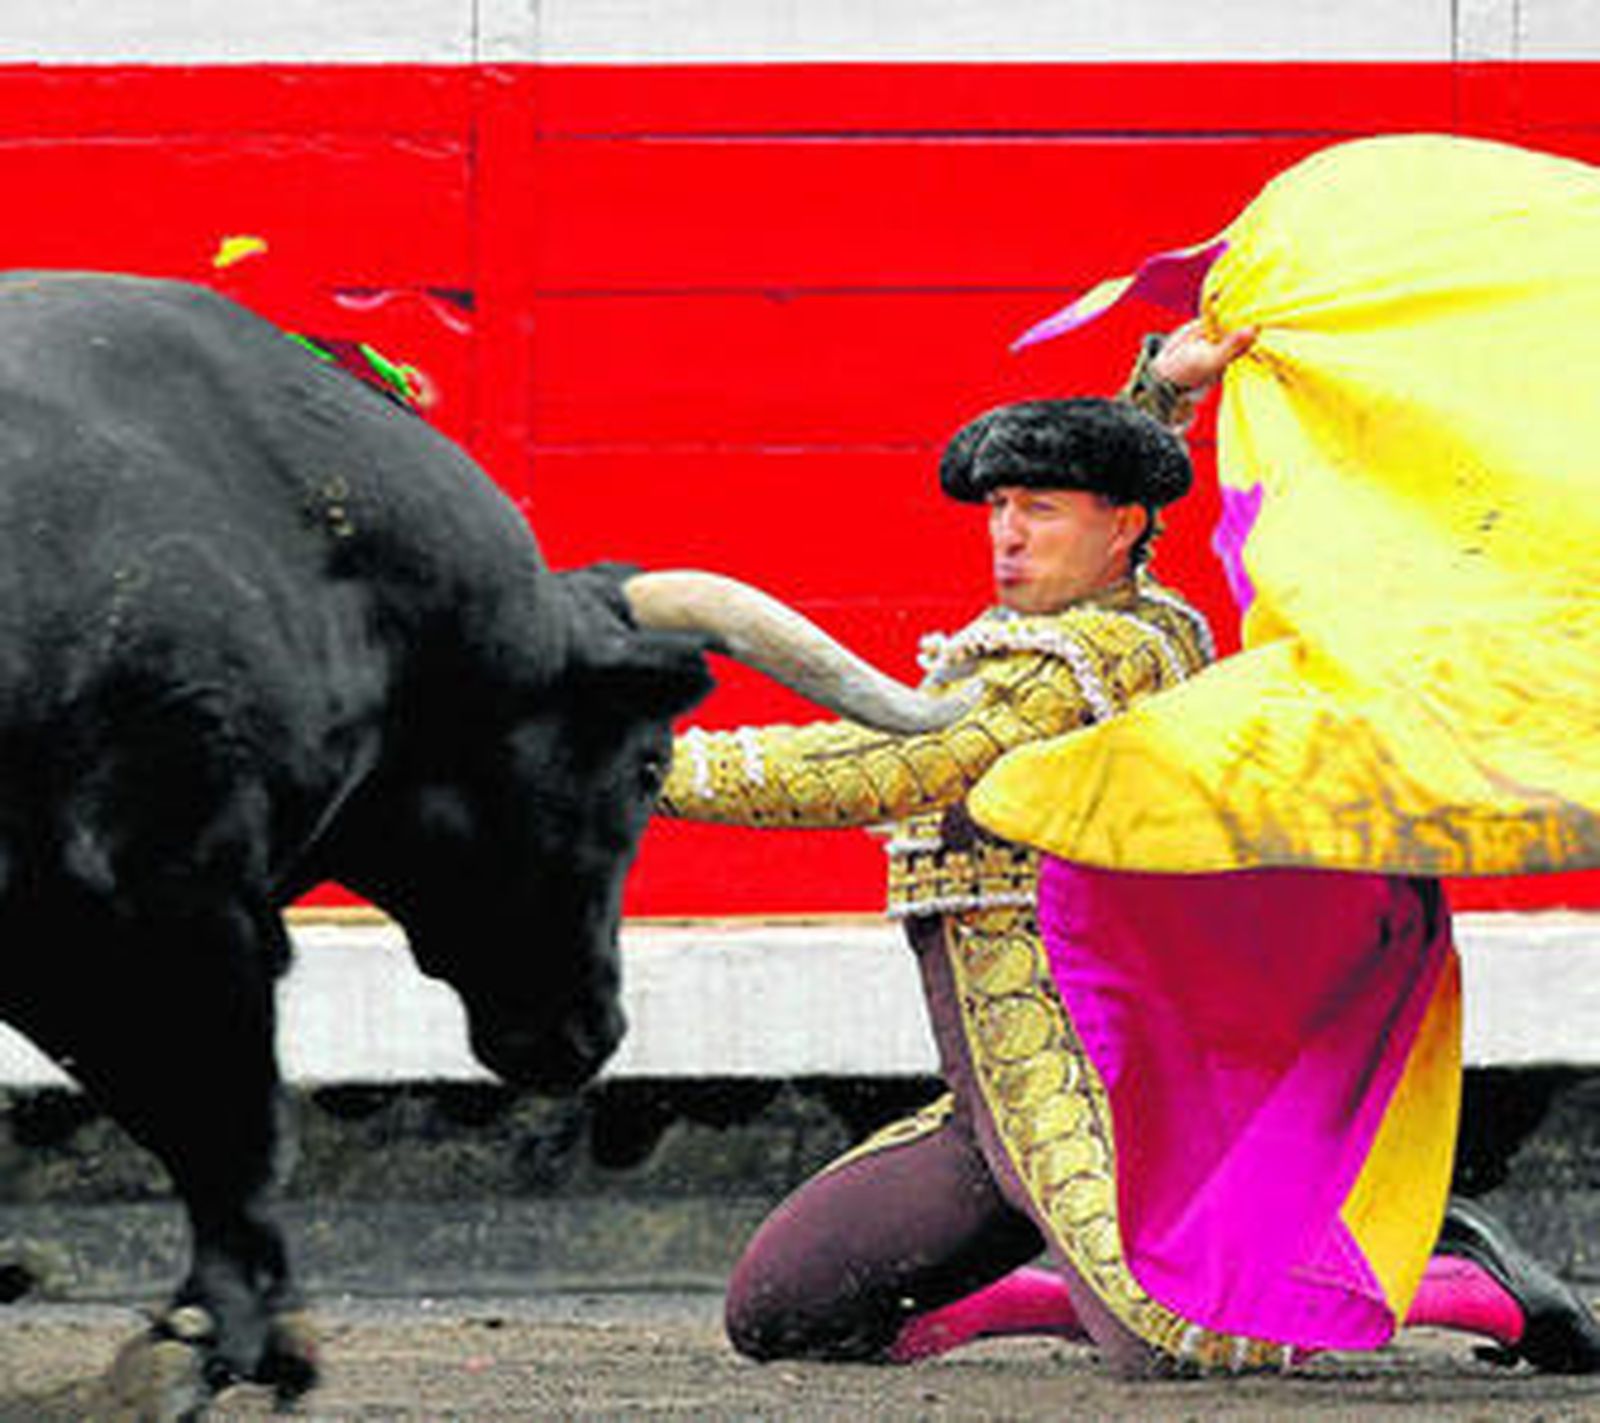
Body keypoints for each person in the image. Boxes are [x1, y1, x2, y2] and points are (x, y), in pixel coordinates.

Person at [655, 338, 1600, 1376]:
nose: (1006, 538)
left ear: (1126, 527)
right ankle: (1061, 1289)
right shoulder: (1089, 621)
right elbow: (1115, 467)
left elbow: (886, 765)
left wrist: (632, 762)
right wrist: (1162, 394)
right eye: (998, 508)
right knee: (786, 1313)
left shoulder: (1091, 659)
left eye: (1039, 511)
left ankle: (1467, 1281)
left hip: (1083, 1080)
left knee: (1188, 1343)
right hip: (988, 1107)